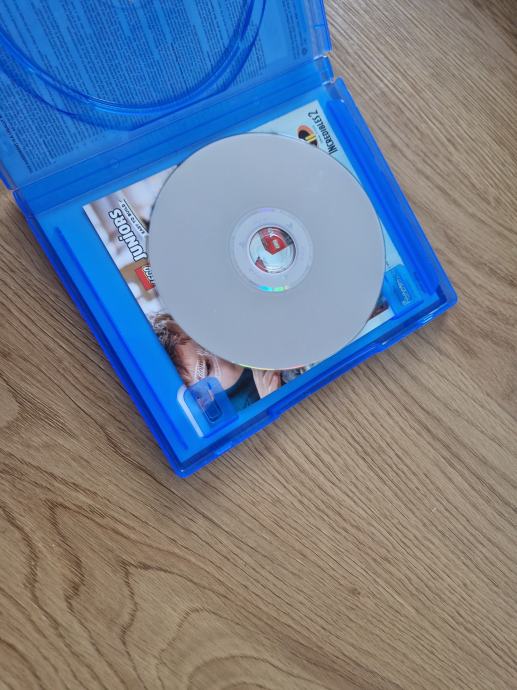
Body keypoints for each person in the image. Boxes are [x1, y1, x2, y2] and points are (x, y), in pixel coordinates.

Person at [152, 313, 282, 410]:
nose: (216, 346)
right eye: (208, 366)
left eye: (201, 334)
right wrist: (273, 403)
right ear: (204, 401)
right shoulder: (248, 407)